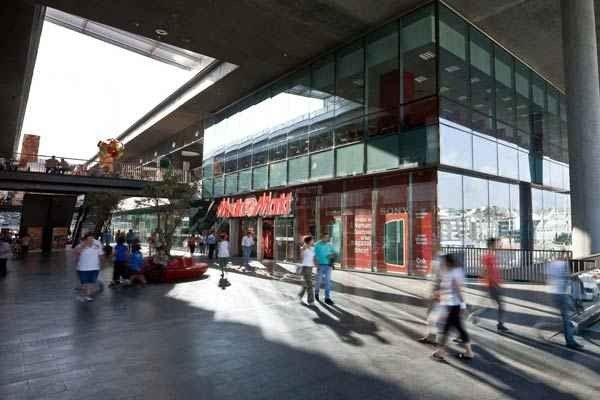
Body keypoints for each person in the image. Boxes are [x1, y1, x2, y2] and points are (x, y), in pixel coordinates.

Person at [432, 253, 474, 361]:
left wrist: (463, 305)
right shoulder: (453, 272)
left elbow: (458, 290)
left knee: (447, 329)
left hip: (454, 305)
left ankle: (441, 352)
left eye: (444, 262)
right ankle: (468, 352)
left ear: (448, 262)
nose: (443, 264)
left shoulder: (453, 273)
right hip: (452, 304)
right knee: (459, 328)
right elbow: (449, 288)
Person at [547, 254, 583, 350]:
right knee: (568, 318)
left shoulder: (552, 264)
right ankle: (570, 341)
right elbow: (567, 277)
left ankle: (569, 334)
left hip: (555, 293)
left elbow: (548, 278)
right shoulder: (563, 264)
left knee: (566, 317)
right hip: (562, 294)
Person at [482, 238, 509, 332]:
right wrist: (495, 283)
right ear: (490, 245)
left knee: (497, 305)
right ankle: (500, 325)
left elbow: (492, 271)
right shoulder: (488, 256)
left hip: (494, 284)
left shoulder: (491, 256)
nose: (497, 246)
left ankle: (476, 315)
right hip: (492, 285)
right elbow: (487, 272)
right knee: (501, 305)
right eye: (495, 244)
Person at [418, 252, 445, 344]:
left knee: (433, 317)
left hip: (437, 294)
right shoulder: (435, 260)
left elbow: (443, 280)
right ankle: (430, 336)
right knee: (430, 315)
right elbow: (432, 278)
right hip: (433, 293)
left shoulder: (440, 261)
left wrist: (438, 293)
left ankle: (434, 338)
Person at [74, 233, 104, 302]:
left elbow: (101, 255)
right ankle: (84, 295)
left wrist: (100, 263)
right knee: (84, 284)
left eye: (92, 239)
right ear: (85, 239)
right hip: (83, 268)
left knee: (91, 284)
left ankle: (87, 296)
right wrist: (84, 246)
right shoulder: (81, 245)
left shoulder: (97, 245)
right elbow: (77, 252)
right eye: (89, 239)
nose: (91, 240)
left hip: (94, 268)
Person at [314, 233, 336, 305]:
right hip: (320, 265)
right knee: (319, 281)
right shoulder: (316, 245)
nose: (327, 239)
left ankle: (327, 298)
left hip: (328, 266)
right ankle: (316, 293)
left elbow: (334, 253)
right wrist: (316, 264)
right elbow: (314, 255)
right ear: (322, 237)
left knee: (328, 282)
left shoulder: (329, 245)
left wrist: (331, 256)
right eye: (326, 237)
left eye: (328, 237)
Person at [298, 236, 315, 305]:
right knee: (310, 284)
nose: (313, 241)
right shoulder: (303, 248)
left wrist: (315, 264)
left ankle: (300, 295)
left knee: (306, 284)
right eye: (312, 240)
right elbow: (301, 258)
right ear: (309, 241)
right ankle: (311, 301)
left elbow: (313, 258)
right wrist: (303, 248)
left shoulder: (313, 248)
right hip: (305, 267)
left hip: (310, 267)